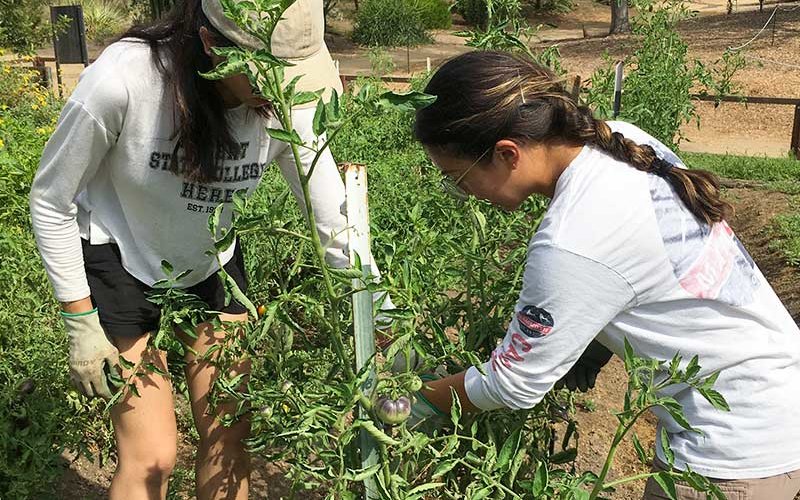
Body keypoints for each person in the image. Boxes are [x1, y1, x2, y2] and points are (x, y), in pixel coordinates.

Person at [29, 0, 391, 498]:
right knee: (151, 455)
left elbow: (331, 222)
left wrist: (382, 313)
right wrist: (79, 320)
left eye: (291, 73)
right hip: (121, 259)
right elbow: (51, 200)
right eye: (263, 74)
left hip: (210, 258)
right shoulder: (124, 80)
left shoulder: (287, 102)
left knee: (229, 440)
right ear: (211, 46)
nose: (280, 91)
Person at [409, 51, 800, 500]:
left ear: (507, 153)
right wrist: (591, 344)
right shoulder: (619, 140)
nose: (463, 192)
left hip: (734, 446)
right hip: (778, 391)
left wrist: (411, 402)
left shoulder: (572, 240)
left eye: (458, 178)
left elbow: (512, 384)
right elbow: (639, 268)